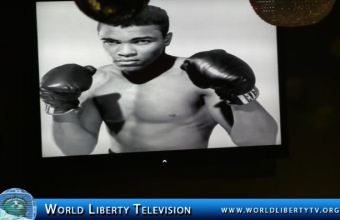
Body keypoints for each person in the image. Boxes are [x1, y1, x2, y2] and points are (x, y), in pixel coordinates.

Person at [40, 5, 278, 156]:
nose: (125, 52)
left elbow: (259, 142)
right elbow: (76, 150)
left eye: (141, 41)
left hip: (192, 173)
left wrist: (240, 94)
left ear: (166, 39)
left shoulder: (198, 78)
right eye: (111, 42)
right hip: (118, 175)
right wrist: (61, 109)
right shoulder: (97, 81)